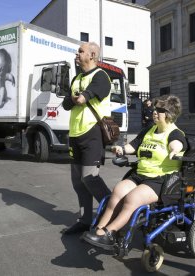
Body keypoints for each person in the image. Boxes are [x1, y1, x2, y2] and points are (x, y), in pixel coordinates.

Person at [82, 95, 187, 249]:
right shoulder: (149, 130)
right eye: (154, 109)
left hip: (160, 179)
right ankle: (98, 230)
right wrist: (122, 149)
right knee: (117, 192)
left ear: (170, 114)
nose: (155, 112)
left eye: (160, 110)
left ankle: (110, 233)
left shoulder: (174, 133)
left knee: (132, 199)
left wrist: (175, 150)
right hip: (140, 174)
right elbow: (134, 145)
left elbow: (178, 144)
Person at [61, 42, 112, 235]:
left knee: (89, 178)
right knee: (77, 182)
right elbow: (67, 103)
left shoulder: (101, 76)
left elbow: (83, 98)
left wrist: (77, 98)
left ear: (92, 55)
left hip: (92, 133)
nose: (77, 53)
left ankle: (113, 211)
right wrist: (73, 98)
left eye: (81, 51)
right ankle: (85, 220)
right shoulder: (77, 78)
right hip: (75, 134)